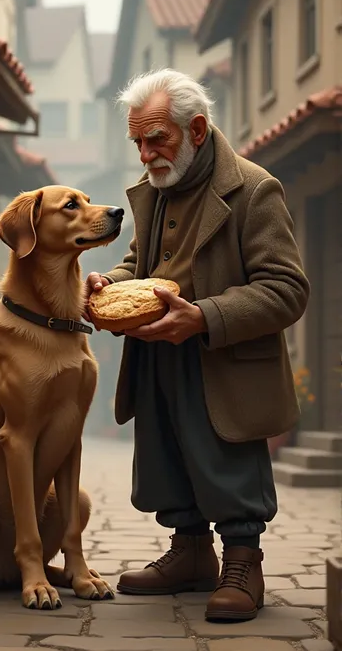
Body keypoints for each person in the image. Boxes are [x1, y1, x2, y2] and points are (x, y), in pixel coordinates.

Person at [84, 69, 310, 623]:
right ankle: (189, 553)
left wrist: (205, 317)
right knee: (166, 451)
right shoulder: (157, 190)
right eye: (137, 141)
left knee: (225, 456)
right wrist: (110, 282)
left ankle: (241, 562)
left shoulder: (254, 190)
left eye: (156, 137)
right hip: (158, 351)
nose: (145, 154)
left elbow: (287, 290)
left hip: (221, 355)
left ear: (198, 130)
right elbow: (141, 263)